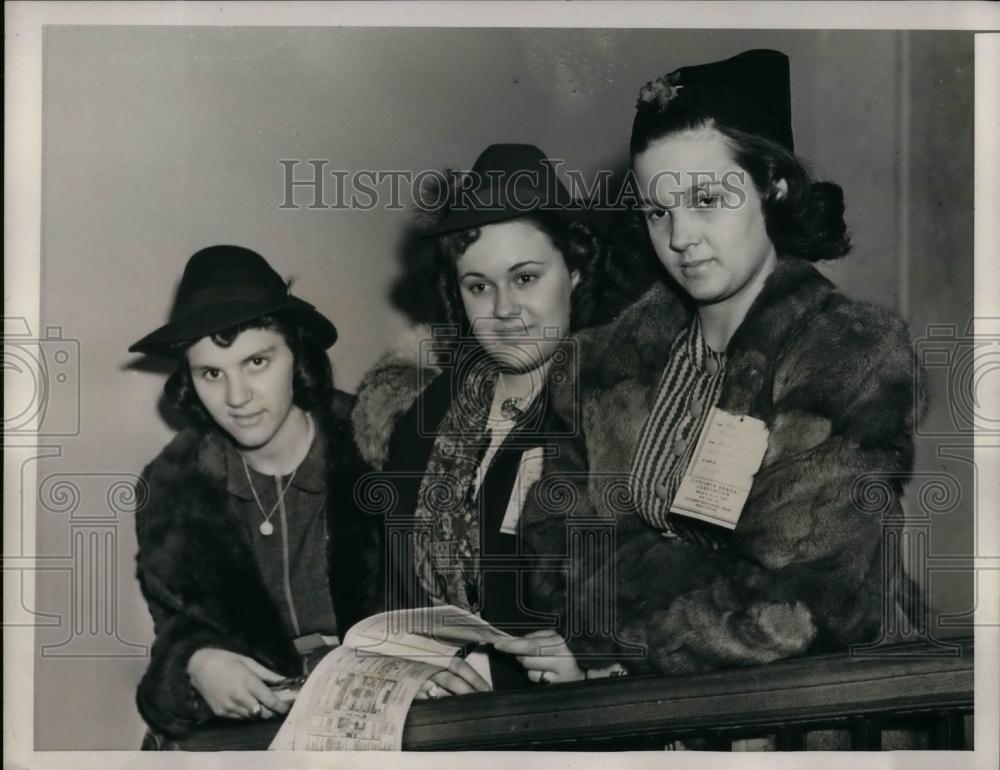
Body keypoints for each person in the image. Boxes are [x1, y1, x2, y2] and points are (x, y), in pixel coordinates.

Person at [519, 50, 924, 678]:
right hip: (645, 720)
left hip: (813, 722)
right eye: (658, 209)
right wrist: (700, 585)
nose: (680, 236)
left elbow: (791, 605)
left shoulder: (850, 356)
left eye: (706, 198)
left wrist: (617, 641)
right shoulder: (596, 364)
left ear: (775, 187)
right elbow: (554, 557)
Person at [350, 144, 606, 696]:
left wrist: (599, 658)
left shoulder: (617, 404)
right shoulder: (428, 412)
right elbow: (391, 599)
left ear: (577, 272)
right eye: (479, 286)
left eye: (526, 278)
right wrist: (408, 668)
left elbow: (662, 584)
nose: (503, 310)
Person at [130, 245, 380, 739]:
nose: (237, 398)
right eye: (211, 373)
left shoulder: (382, 450)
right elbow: (175, 631)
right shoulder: (172, 490)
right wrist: (195, 664)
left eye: (257, 362)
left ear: (296, 356)